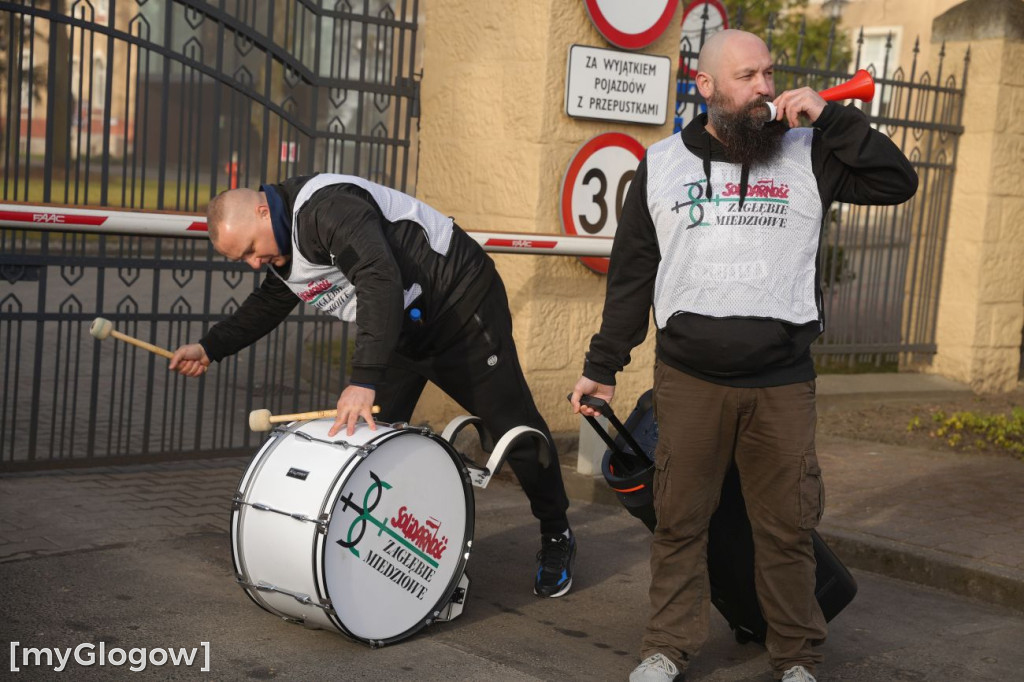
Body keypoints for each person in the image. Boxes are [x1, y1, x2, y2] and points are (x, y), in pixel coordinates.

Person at [570, 29, 917, 682]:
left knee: (785, 529)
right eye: (747, 76)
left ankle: (797, 658)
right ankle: (666, 650)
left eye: (769, 73)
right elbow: (632, 274)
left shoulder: (808, 152)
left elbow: (897, 181)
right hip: (689, 380)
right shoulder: (664, 164)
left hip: (782, 382)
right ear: (705, 87)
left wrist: (834, 116)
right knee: (680, 523)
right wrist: (602, 365)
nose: (765, 87)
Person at [170, 173, 576, 598]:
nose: (254, 263)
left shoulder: (326, 211)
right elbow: (273, 300)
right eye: (244, 260)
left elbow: (380, 279)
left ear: (260, 209)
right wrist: (210, 347)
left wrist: (364, 379)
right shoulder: (281, 241)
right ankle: (395, 552)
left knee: (511, 425)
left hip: (459, 304)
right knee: (369, 443)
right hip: (400, 325)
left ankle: (556, 533)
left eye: (251, 249)